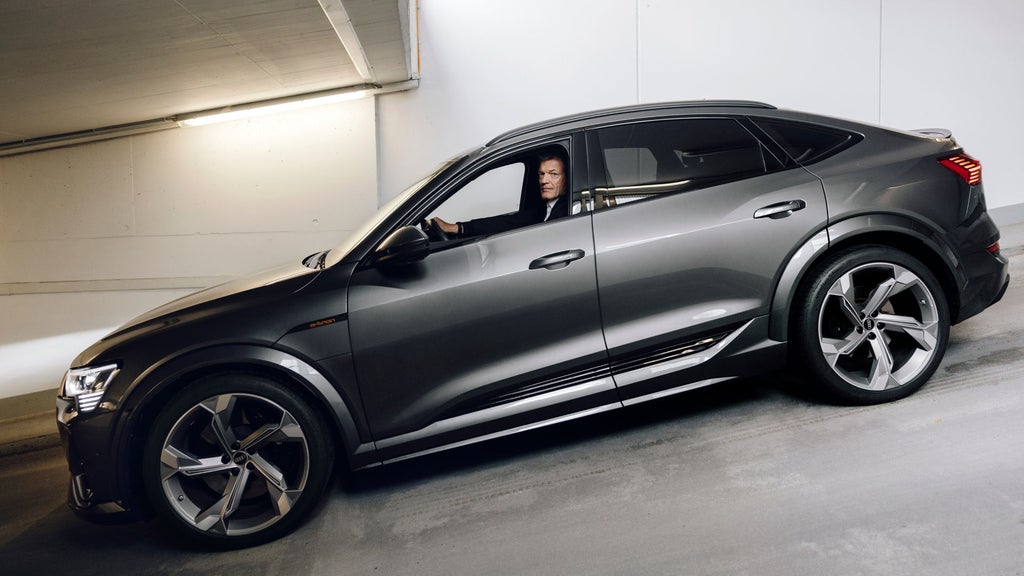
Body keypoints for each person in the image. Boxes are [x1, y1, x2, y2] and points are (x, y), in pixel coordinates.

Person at [431, 152, 569, 237]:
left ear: (567, 178)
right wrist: (457, 228)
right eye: (541, 174)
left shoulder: (567, 211)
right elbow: (506, 222)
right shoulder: (543, 210)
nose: (544, 180)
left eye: (553, 174)